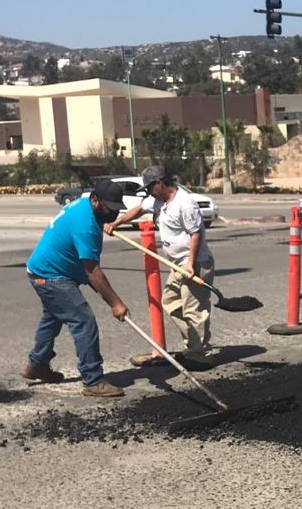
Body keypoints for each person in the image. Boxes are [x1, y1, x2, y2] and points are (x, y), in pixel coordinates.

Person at [24, 179, 129, 397]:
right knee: (83, 320)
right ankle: (92, 379)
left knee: (52, 318)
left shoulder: (85, 207)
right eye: (110, 208)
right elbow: (92, 271)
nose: (114, 214)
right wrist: (116, 304)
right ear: (95, 200)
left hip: (44, 271)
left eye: (117, 210)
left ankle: (37, 365)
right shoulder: (86, 224)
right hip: (51, 275)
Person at [106, 165, 215, 370]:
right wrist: (116, 223)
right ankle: (194, 346)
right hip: (177, 264)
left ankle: (201, 355)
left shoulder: (185, 204)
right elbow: (138, 209)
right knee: (171, 302)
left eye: (149, 188)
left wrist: (191, 264)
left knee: (193, 310)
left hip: (195, 264)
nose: (148, 193)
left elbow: (196, 235)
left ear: (160, 184)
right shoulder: (157, 201)